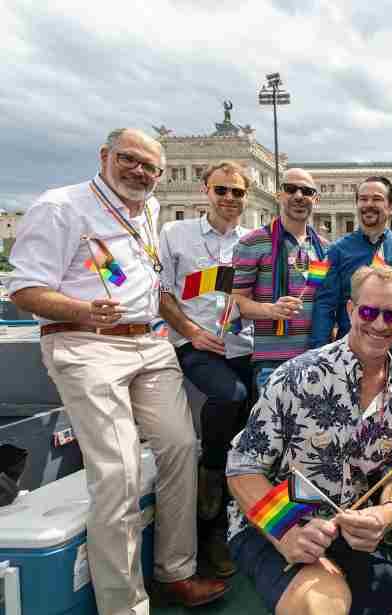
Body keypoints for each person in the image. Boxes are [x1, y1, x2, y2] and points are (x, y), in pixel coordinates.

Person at [7, 128, 228, 613]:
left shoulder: (147, 211)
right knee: (119, 472)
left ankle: (176, 571)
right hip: (86, 343)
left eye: (151, 167)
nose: (141, 172)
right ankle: (124, 605)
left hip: (148, 343)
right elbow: (23, 291)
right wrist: (83, 309)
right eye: (130, 160)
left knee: (179, 448)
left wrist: (188, 331)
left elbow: (153, 289)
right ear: (105, 156)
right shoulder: (61, 206)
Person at [226, 265, 392, 615]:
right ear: (350, 310)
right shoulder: (296, 376)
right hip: (270, 524)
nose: (379, 324)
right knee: (325, 606)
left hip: (347, 529)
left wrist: (388, 512)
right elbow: (242, 468)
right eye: (368, 311)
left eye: (391, 315)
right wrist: (284, 531)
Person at [158, 160, 255, 578]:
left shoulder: (253, 240)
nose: (230, 199)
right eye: (222, 190)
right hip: (198, 346)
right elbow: (160, 293)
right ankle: (211, 498)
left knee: (253, 421)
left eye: (237, 192)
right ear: (205, 190)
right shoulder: (174, 234)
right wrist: (192, 332)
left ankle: (235, 520)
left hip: (242, 347)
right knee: (229, 397)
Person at [231, 167, 329, 391]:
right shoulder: (251, 243)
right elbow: (232, 302)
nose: (298, 196)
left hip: (317, 359)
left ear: (316, 199)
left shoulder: (325, 249)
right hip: (272, 363)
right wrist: (270, 310)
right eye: (290, 189)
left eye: (306, 191)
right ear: (279, 194)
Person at [310, 176, 392, 365]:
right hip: (350, 357)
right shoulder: (336, 251)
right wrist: (318, 356)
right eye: (363, 199)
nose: (368, 204)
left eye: (376, 199)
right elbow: (324, 305)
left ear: (391, 206)